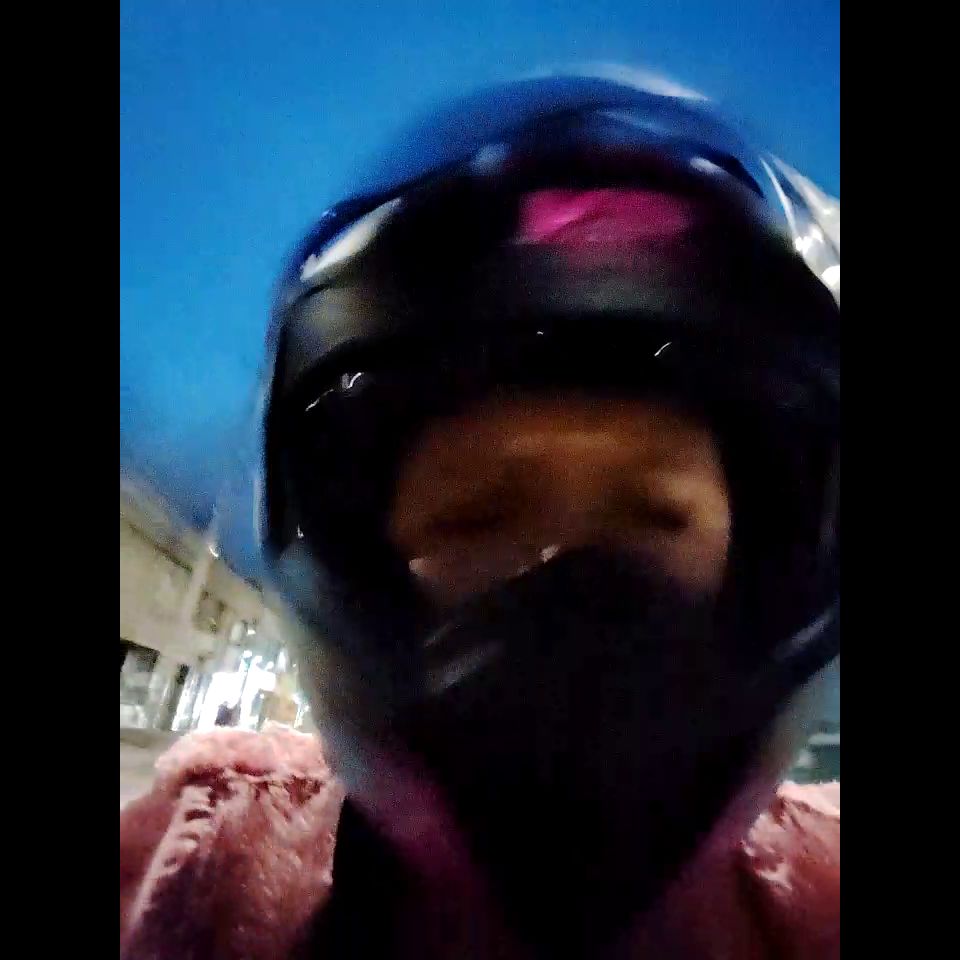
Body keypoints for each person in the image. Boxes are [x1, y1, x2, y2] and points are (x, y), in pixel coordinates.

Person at [120, 73, 840, 959]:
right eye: (479, 519)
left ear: (771, 560)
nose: (576, 596)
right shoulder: (199, 876)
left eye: (654, 521)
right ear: (355, 567)